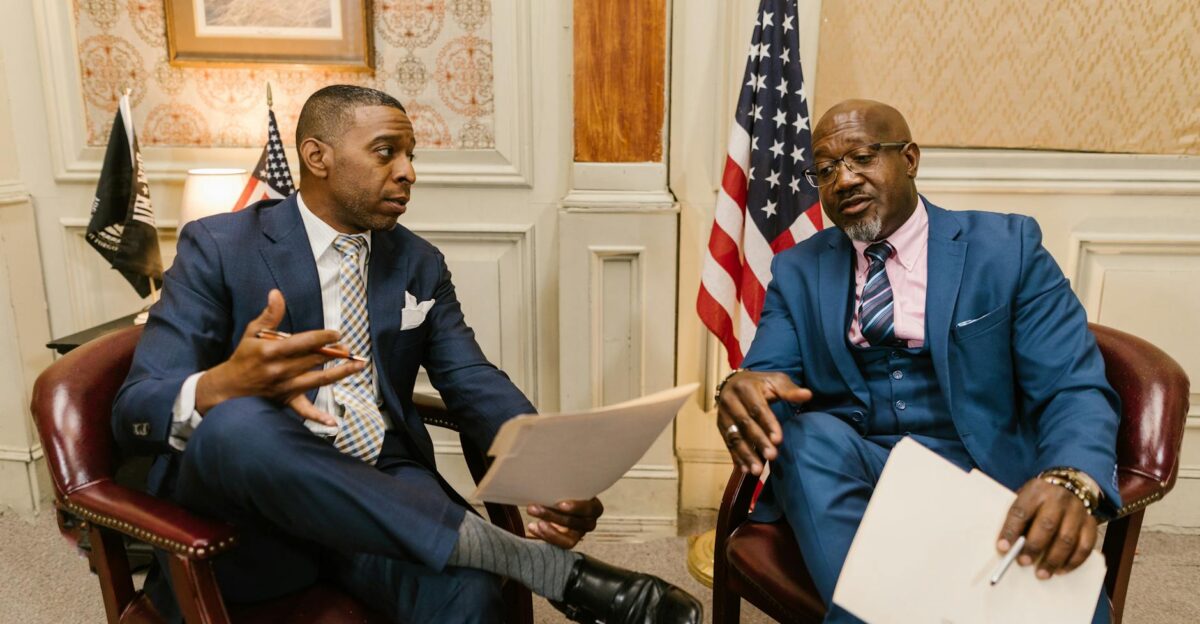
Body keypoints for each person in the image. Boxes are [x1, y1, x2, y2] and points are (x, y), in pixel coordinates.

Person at [113, 84, 701, 624]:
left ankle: (486, 555)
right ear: (317, 158)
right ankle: (539, 568)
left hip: (383, 481)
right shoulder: (218, 246)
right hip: (253, 514)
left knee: (469, 596)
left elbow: (468, 377)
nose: (409, 172)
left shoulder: (417, 262)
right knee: (237, 423)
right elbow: (135, 406)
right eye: (386, 152)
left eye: (411, 154)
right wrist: (222, 385)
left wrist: (548, 473)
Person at [715, 99, 1119, 623]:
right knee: (804, 437)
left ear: (909, 158)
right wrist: (741, 385)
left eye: (861, 157)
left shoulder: (1008, 248)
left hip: (984, 474)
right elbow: (768, 376)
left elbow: (1073, 385)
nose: (843, 179)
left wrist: (1072, 478)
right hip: (859, 470)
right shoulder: (797, 270)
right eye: (826, 169)